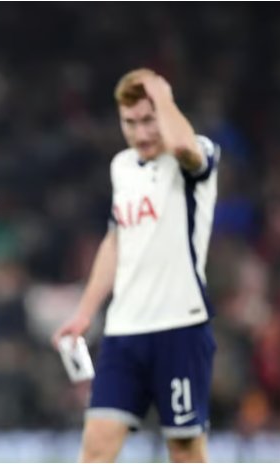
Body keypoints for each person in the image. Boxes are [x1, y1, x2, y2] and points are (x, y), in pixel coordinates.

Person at [53, 68, 220, 463]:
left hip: (180, 327)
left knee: (185, 451)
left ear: (165, 112)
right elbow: (115, 241)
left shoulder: (197, 153)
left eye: (149, 120)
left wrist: (161, 95)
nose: (141, 133)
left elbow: (182, 146)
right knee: (95, 447)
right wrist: (84, 314)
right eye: (131, 122)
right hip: (124, 331)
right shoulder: (122, 167)